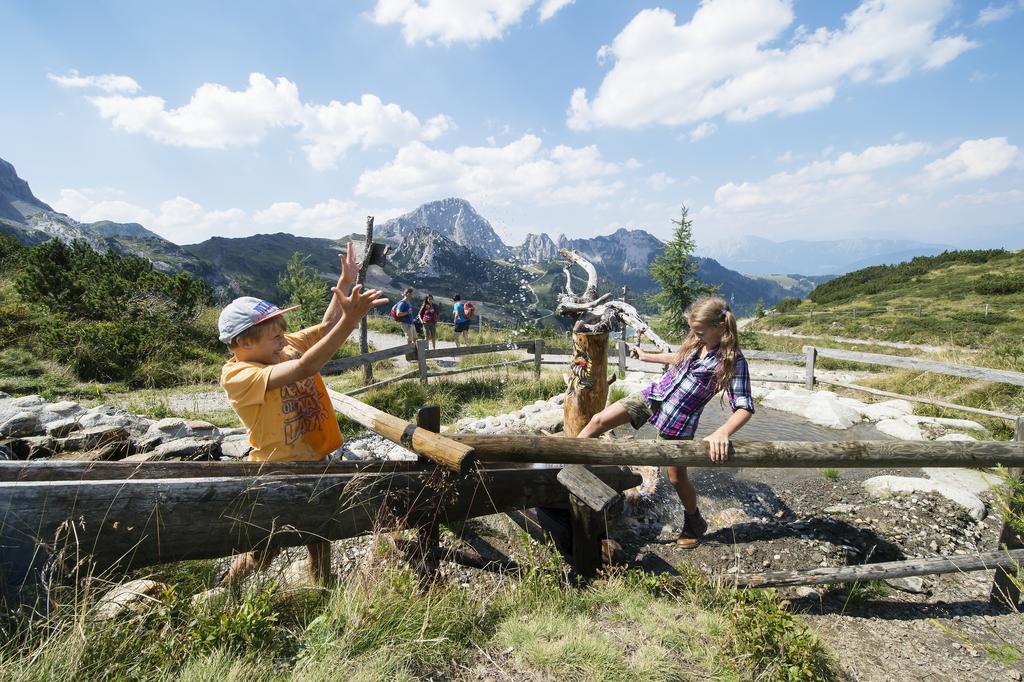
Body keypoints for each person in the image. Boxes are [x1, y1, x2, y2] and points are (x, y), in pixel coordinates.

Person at [216, 243, 387, 586]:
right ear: (243, 344)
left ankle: (321, 589)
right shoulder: (239, 375)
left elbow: (325, 326)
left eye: (282, 331)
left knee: (320, 534)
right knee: (267, 547)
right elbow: (308, 364)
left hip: (317, 459)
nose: (283, 339)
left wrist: (345, 283)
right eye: (274, 335)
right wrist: (351, 321)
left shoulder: (283, 346)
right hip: (276, 470)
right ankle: (225, 590)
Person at [576, 295, 754, 548]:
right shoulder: (696, 341)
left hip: (679, 420)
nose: (696, 336)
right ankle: (566, 467)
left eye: (701, 332)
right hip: (654, 396)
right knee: (598, 420)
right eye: (693, 331)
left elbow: (744, 407)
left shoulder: (732, 360)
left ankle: (694, 521)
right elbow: (679, 358)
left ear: (721, 327)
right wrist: (649, 357)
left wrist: (722, 432)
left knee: (676, 478)